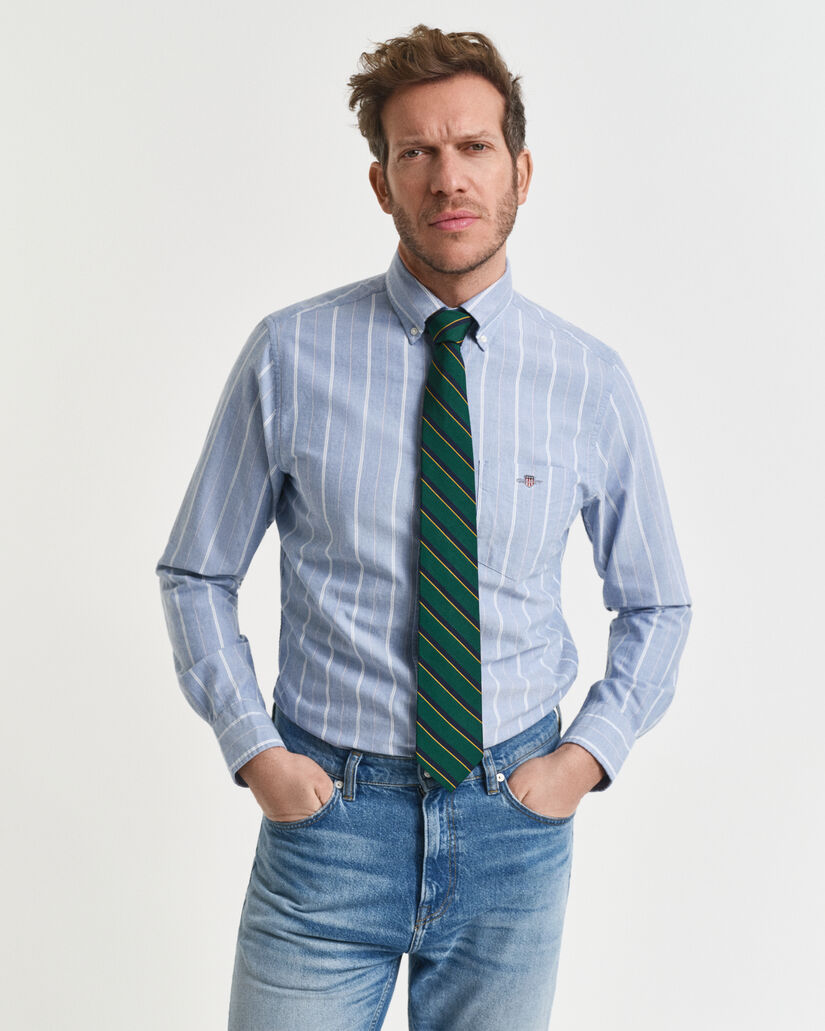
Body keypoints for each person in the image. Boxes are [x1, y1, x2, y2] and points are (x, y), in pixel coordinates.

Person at [156, 23, 691, 1031]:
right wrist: (255, 749)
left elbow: (657, 600)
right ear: (382, 182)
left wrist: (583, 757)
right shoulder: (289, 354)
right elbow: (195, 572)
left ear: (520, 170)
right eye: (417, 152)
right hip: (328, 825)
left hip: (512, 830)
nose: (449, 178)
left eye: (475, 147)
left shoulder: (586, 379)